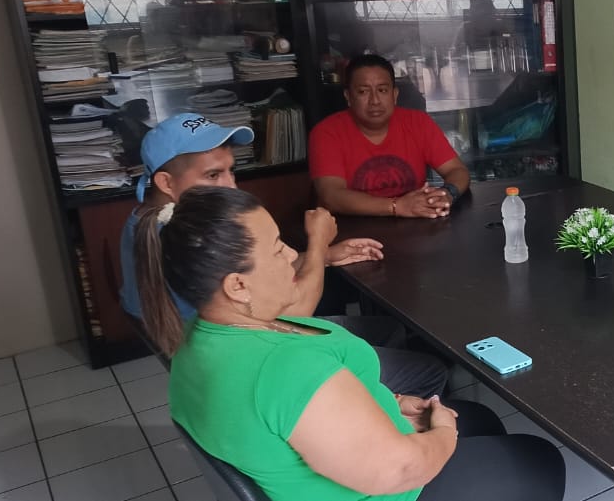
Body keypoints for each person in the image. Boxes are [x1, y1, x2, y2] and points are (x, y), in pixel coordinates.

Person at [134, 186, 565, 501]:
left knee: (482, 418)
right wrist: (444, 434)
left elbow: (300, 415)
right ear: (237, 285)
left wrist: (389, 402)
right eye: (278, 249)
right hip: (389, 488)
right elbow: (400, 468)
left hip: (350, 458)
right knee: (539, 459)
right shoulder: (282, 369)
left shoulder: (201, 338)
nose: (292, 255)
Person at [119, 112, 446, 398]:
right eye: (213, 175)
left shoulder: (148, 221)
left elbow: (252, 274)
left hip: (235, 346)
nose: (231, 187)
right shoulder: (191, 237)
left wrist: (324, 256)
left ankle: (372, 400)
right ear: (166, 182)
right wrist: (317, 244)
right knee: (428, 369)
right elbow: (297, 308)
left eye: (231, 171)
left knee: (389, 330)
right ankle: (377, 416)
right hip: (252, 362)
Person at [309, 54, 471, 218]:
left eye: (382, 90)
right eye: (363, 91)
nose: (375, 101)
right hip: (351, 228)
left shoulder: (418, 122)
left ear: (394, 95)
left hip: (416, 223)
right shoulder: (327, 132)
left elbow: (457, 170)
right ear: (348, 97)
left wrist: (446, 195)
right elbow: (331, 196)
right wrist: (397, 206)